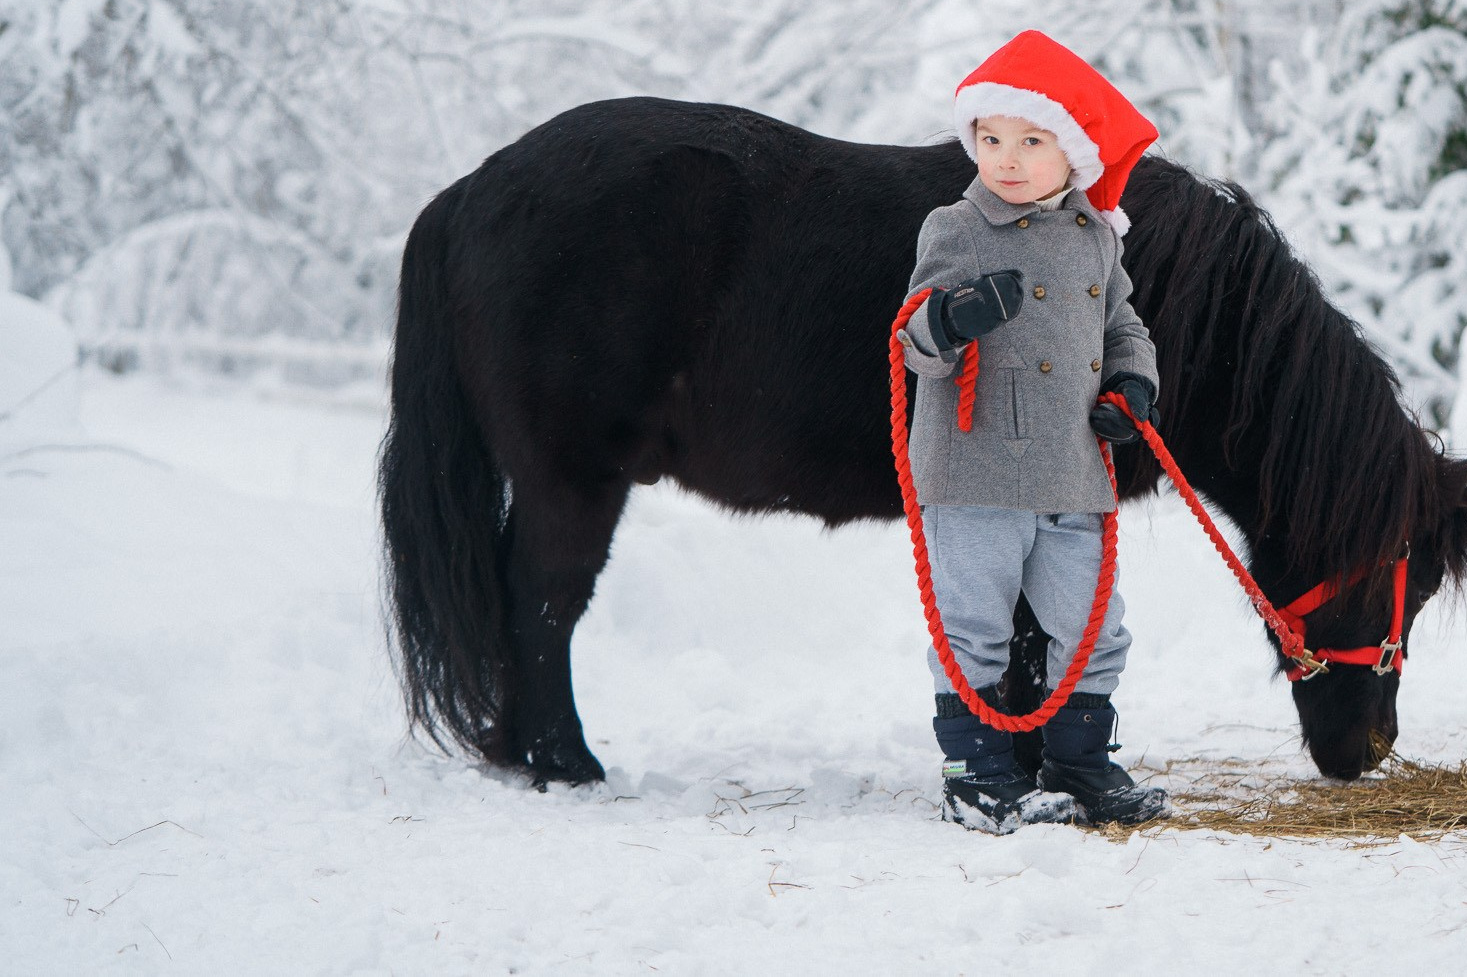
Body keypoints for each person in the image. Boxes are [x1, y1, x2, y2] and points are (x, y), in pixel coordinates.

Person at [898, 30, 1167, 833]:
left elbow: (1123, 324)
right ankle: (973, 773)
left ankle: (1077, 761)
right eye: (989, 139)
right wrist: (952, 317)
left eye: (1029, 141)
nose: (1005, 159)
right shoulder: (954, 227)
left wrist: (1131, 382)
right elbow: (912, 341)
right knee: (974, 625)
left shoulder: (1095, 236)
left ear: (1073, 153)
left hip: (1072, 469)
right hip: (976, 469)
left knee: (1090, 622)